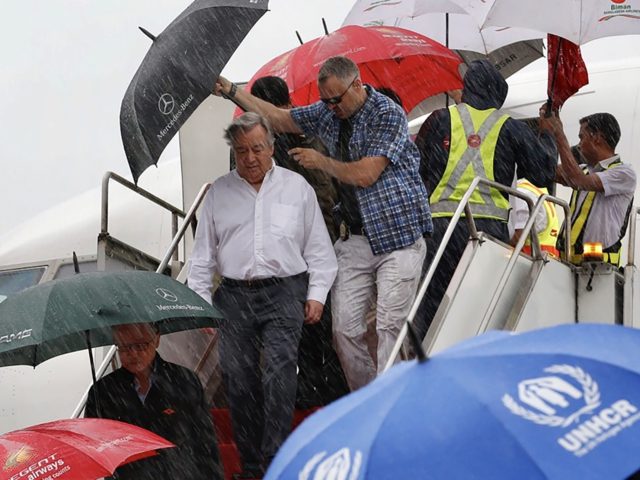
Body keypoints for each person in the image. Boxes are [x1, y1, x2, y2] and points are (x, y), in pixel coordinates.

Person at [214, 56, 432, 391]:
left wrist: (321, 162)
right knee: (342, 330)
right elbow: (279, 117)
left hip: (399, 234)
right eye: (325, 100)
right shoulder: (328, 113)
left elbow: (366, 174)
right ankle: (368, 396)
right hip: (354, 237)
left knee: (390, 323)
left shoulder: (386, 113)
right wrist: (231, 90)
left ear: (357, 85)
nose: (331, 107)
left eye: (336, 99)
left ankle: (393, 399)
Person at [187, 112, 337, 478]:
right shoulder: (218, 193)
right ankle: (252, 464)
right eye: (241, 151)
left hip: (285, 290)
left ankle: (276, 458)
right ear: (233, 153)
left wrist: (316, 294)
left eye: (257, 148)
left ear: (271, 147)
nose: (250, 158)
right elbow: (202, 257)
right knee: (238, 378)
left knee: (280, 370)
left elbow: (319, 250)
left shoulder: (296, 187)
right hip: (234, 296)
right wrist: (201, 306)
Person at [414, 59, 557, 340]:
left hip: (440, 229)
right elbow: (543, 173)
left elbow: (418, 171)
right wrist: (548, 134)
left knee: (433, 306)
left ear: (467, 89)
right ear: (497, 93)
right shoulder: (509, 127)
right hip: (485, 234)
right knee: (480, 309)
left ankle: (432, 365)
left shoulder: (439, 120)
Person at [250, 75, 349, 408]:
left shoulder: (305, 137)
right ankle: (311, 389)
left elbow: (324, 192)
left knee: (322, 325)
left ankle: (331, 390)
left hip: (312, 248)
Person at [85, 323, 222, 480]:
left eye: (140, 345)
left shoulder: (183, 380)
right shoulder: (103, 391)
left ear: (156, 339)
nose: (133, 354)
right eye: (124, 347)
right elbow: (97, 448)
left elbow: (205, 441)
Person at [539, 109, 636, 266]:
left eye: (581, 137)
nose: (579, 145)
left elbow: (579, 181)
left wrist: (559, 134)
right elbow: (544, 168)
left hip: (599, 270)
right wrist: (547, 132)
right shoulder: (584, 169)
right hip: (567, 265)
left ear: (596, 137)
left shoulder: (624, 173)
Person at [509, 178, 560, 257]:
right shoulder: (538, 192)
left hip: (527, 259)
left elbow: (518, 237)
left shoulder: (522, 192)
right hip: (546, 259)